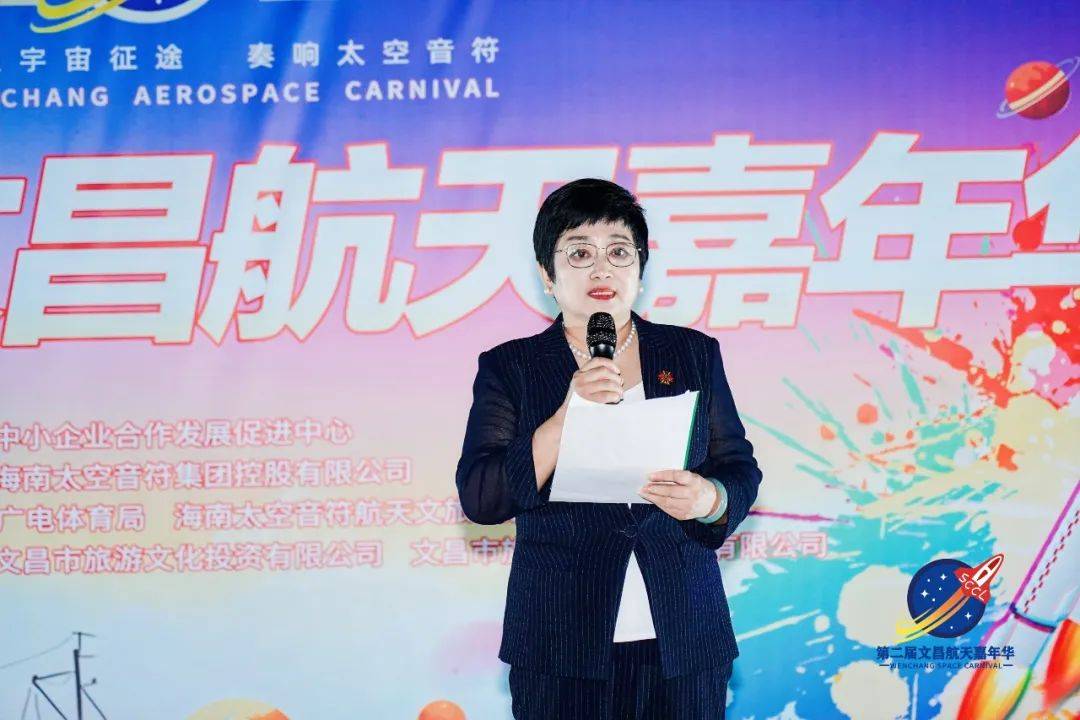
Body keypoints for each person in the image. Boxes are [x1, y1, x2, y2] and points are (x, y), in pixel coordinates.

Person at [455, 178, 763, 720]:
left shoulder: (691, 353)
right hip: (561, 645)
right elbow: (482, 497)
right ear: (547, 276)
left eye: (619, 252)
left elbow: (738, 467)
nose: (602, 270)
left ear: (640, 270)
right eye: (580, 253)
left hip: (684, 640)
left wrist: (709, 499)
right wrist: (564, 417)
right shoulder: (512, 367)